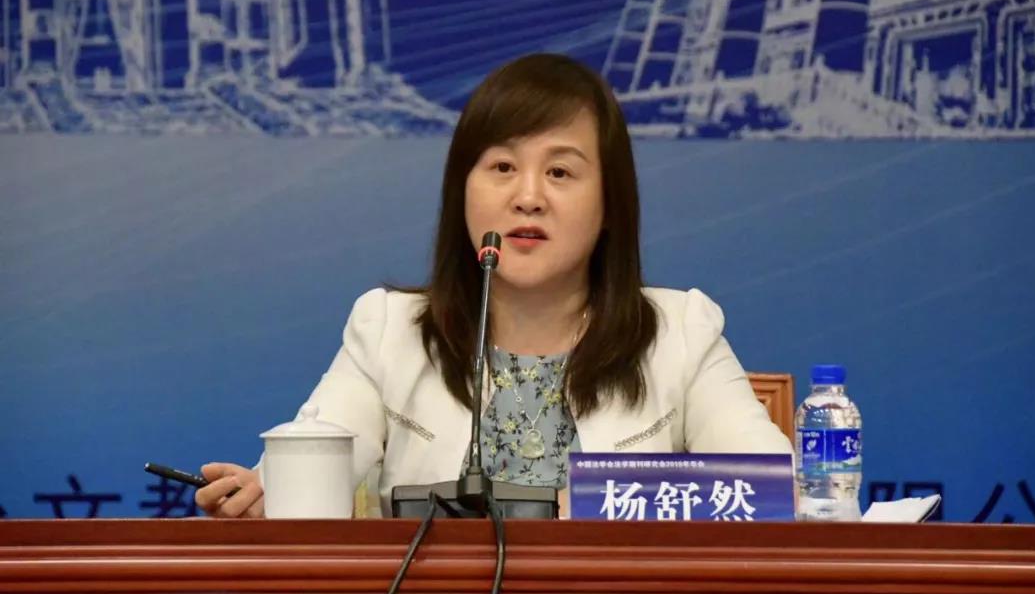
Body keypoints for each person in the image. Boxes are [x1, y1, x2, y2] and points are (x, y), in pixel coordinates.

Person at [195, 53, 792, 519]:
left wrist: (598, 502)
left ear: (611, 203)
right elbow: (312, 463)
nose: (528, 196)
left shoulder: (680, 333)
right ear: (463, 191)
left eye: (560, 171)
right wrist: (265, 496)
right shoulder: (388, 331)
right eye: (502, 167)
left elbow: (774, 490)